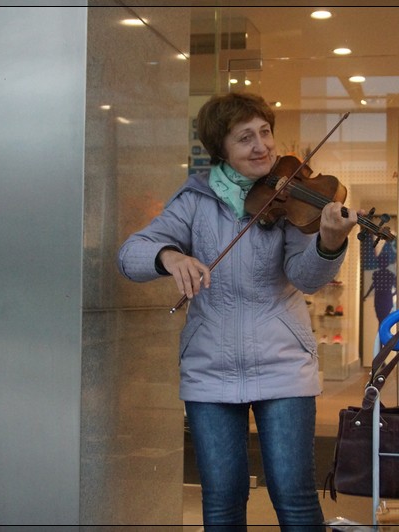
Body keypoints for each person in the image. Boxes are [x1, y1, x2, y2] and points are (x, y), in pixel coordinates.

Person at [117, 92, 359, 530]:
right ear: (221, 148)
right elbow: (131, 253)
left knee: (295, 497)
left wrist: (329, 242)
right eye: (245, 138)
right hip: (210, 368)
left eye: (265, 132)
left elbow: (305, 277)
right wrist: (169, 256)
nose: (262, 146)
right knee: (222, 501)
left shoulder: (290, 198)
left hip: (283, 364)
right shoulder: (195, 199)